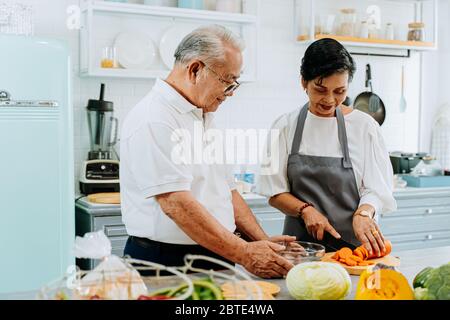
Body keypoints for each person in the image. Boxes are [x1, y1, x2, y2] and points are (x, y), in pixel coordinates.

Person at [120, 25, 294, 278]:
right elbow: (176, 204)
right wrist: (245, 253)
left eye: (235, 83)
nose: (230, 93)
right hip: (168, 263)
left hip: (217, 253)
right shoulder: (155, 118)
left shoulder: (201, 116)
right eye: (227, 81)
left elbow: (228, 192)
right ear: (195, 70)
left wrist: (264, 244)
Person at [259, 38, 397, 257]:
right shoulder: (285, 126)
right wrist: (306, 210)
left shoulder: (365, 127)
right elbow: (274, 192)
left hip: (354, 251)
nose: (330, 100)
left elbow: (379, 189)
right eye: (320, 89)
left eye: (339, 91)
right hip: (300, 251)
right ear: (304, 82)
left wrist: (364, 213)